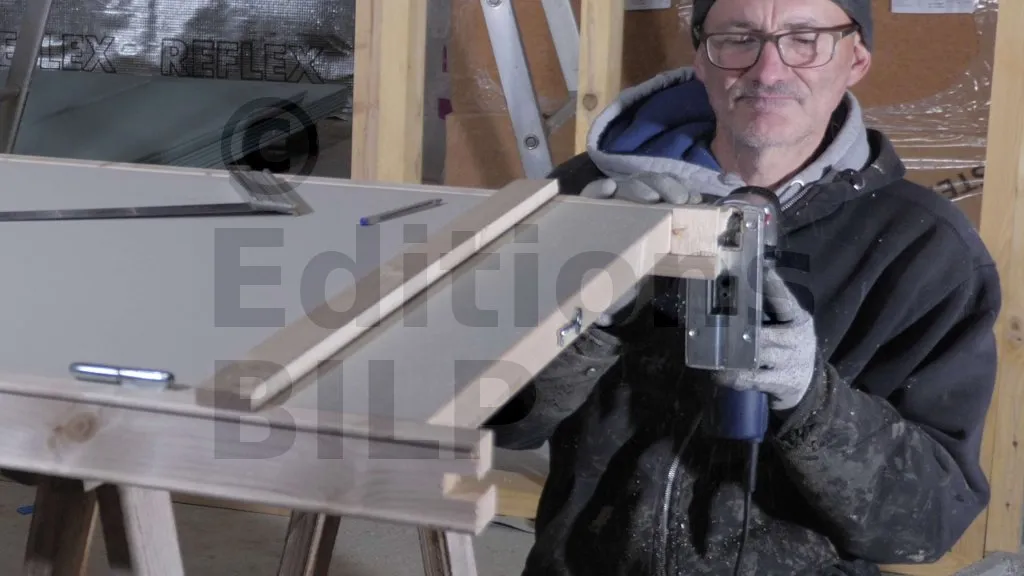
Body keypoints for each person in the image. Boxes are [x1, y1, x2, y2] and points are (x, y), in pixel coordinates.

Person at [482, 0, 1001, 574]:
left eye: (804, 39)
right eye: (738, 38)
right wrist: (586, 315)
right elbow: (500, 419)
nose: (768, 71)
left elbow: (926, 526)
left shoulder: (922, 249)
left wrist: (813, 403)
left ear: (855, 59)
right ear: (701, 59)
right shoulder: (587, 195)